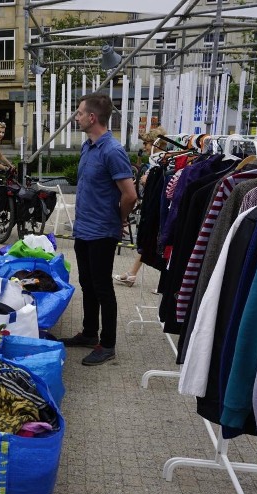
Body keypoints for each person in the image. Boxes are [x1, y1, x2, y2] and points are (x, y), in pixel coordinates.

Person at [59, 93, 136, 366]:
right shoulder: (88, 147)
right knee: (87, 284)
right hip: (84, 229)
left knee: (103, 288)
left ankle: (108, 343)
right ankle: (90, 333)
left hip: (103, 231)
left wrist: (119, 219)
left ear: (92, 118)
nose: (76, 117)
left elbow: (130, 194)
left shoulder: (112, 151)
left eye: (79, 113)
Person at [114, 126, 168, 287]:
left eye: (147, 143)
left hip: (157, 209)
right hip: (154, 208)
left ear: (156, 144)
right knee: (147, 241)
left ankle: (160, 280)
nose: (144, 147)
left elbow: (162, 186)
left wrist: (148, 181)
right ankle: (132, 274)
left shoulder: (163, 161)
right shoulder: (157, 161)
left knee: (151, 241)